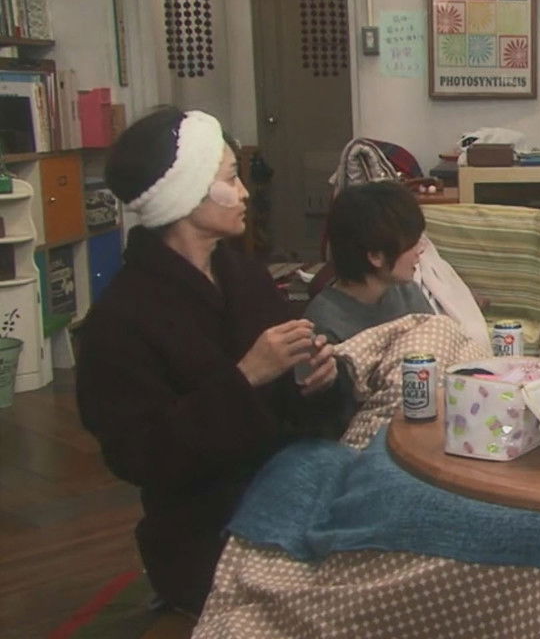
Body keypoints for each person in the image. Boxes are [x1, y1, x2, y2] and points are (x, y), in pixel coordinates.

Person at [76, 108, 354, 615]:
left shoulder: (243, 276)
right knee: (379, 574)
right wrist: (246, 377)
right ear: (184, 194)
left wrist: (318, 381)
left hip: (297, 483)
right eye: (230, 178)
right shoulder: (118, 320)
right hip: (208, 535)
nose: (245, 192)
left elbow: (295, 402)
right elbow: (140, 456)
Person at [305, 181, 434, 343]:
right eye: (412, 243)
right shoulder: (325, 325)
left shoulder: (408, 293)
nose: (420, 250)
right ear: (375, 256)